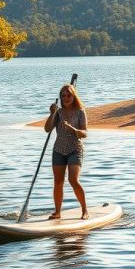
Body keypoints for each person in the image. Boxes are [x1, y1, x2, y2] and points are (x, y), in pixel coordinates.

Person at [44, 84, 88, 219]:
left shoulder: (80, 112)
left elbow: (84, 133)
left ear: (73, 96)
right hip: (58, 150)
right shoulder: (58, 112)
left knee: (73, 179)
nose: (66, 98)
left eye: (69, 95)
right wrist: (52, 114)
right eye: (63, 96)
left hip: (75, 149)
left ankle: (84, 210)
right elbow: (47, 129)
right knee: (58, 182)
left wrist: (73, 129)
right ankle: (57, 212)